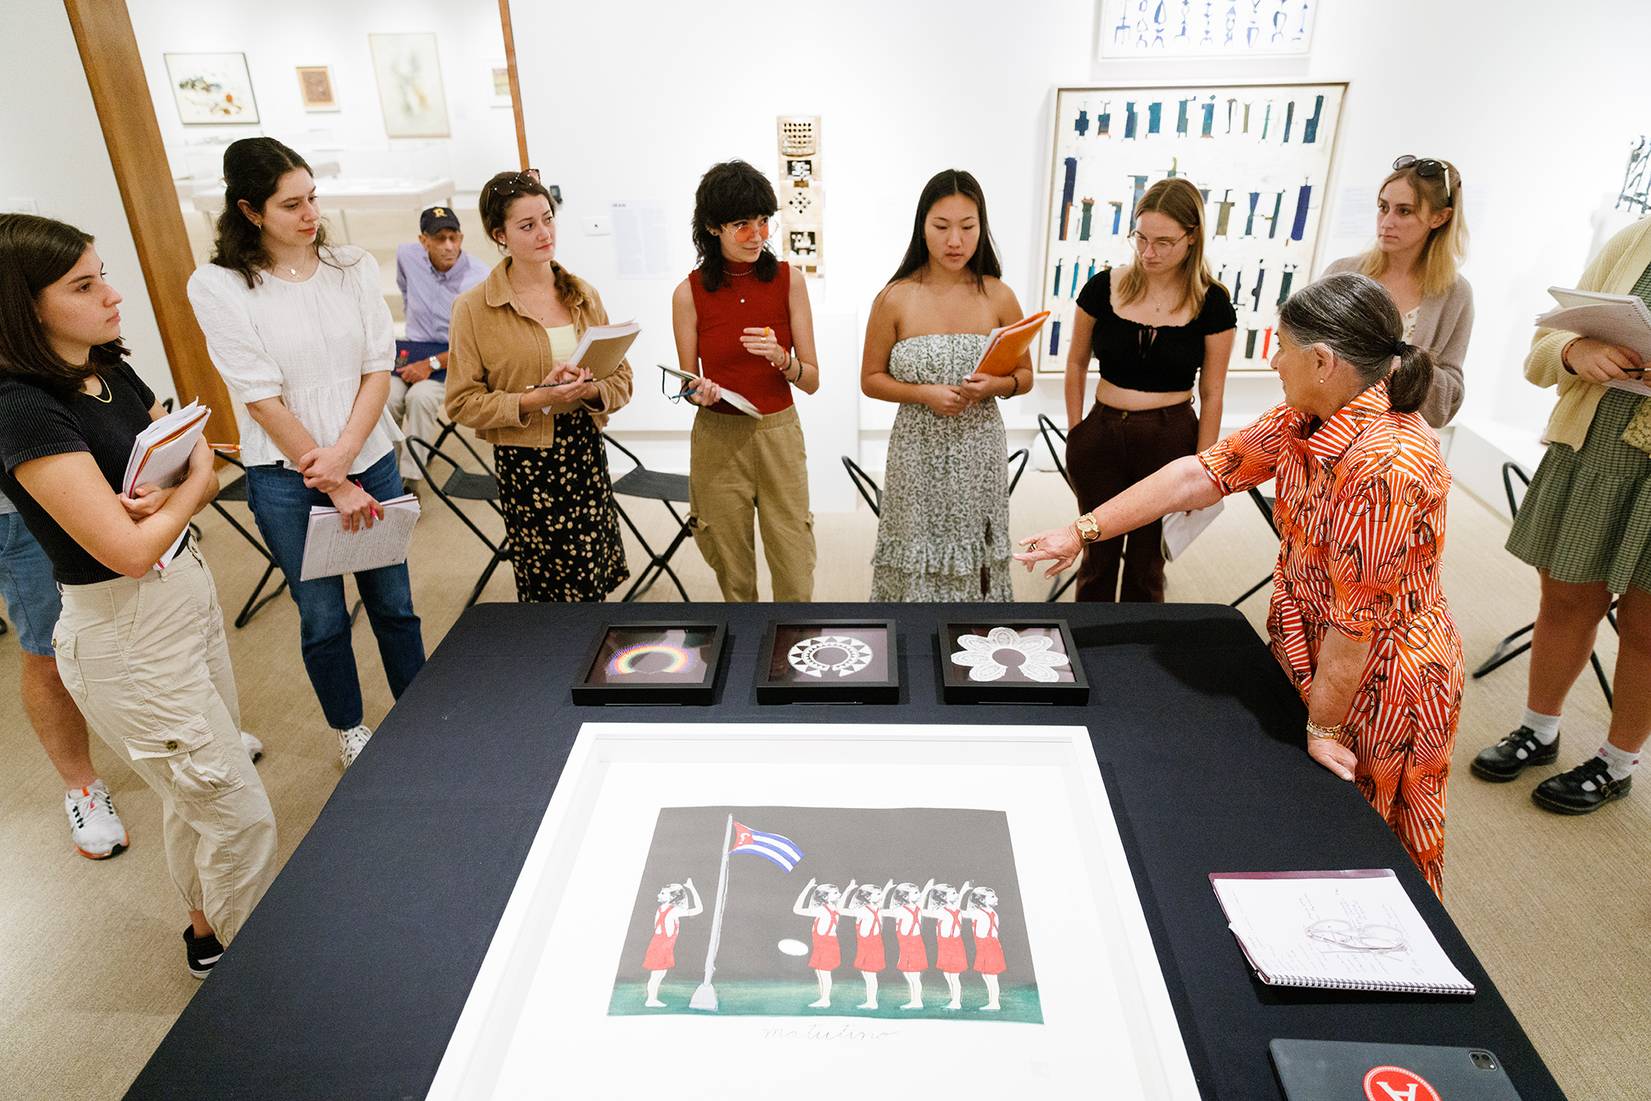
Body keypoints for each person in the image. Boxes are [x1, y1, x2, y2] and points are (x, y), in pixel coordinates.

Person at [1019, 273, 1463, 896]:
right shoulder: (1306, 416)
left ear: (1324, 361)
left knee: (1367, 848)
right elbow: (1198, 476)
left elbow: (1353, 624)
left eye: (1282, 347)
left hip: (1378, 681)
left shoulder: (1385, 465)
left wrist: (1325, 727)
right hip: (1322, 654)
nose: (1273, 360)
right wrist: (1083, 529)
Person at [0, 213, 277, 974]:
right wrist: (193, 488)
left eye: (102, 275)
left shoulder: (105, 365)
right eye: (84, 286)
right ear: (26, 305)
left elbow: (180, 454)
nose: (114, 296)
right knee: (238, 811)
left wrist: (181, 487)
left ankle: (207, 933)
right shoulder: (21, 406)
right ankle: (268, 981)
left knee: (198, 792)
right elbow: (127, 547)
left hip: (181, 591)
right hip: (124, 628)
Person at [188, 137, 425, 768]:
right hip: (287, 476)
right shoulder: (219, 285)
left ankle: (421, 710)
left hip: (367, 456)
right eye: (291, 204)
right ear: (250, 211)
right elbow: (260, 396)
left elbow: (380, 365)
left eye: (312, 197)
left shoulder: (349, 264)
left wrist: (346, 456)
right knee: (322, 615)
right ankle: (350, 728)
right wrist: (331, 477)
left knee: (394, 603)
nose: (310, 214)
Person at [1472, 216, 1651, 815]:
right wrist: (1579, 351)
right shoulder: (1637, 238)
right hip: (1595, 456)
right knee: (1566, 600)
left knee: (1648, 629)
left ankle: (1616, 763)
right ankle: (1538, 730)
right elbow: (1544, 348)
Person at [446, 170, 633, 602]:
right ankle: (558, 668)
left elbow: (621, 378)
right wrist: (535, 398)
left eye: (548, 219)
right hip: (527, 464)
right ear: (500, 235)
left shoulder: (582, 293)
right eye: (527, 226)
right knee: (549, 593)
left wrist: (588, 390)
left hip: (583, 449)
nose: (544, 232)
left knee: (591, 580)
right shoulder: (474, 308)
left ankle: (590, 664)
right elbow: (461, 403)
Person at [1062, 177, 1236, 603]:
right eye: (1140, 238)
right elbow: (1076, 361)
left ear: (1192, 238)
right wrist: (1076, 429)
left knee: (1146, 562)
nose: (1148, 252)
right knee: (1096, 554)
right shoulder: (1102, 287)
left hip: (1169, 436)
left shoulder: (1212, 303)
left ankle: (1137, 656)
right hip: (1101, 432)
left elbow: (1213, 391)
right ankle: (1085, 652)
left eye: (1163, 241)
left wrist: (1204, 467)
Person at [861, 169, 1032, 601]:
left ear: (982, 228)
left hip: (980, 450)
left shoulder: (999, 295)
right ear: (922, 227)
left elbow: (1025, 377)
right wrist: (924, 393)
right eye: (941, 227)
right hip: (916, 451)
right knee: (914, 544)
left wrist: (994, 386)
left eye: (968, 227)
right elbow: (870, 379)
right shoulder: (894, 297)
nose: (954, 241)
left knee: (976, 548)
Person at [671, 160, 820, 602]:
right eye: (742, 224)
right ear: (713, 228)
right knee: (732, 569)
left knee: (794, 562)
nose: (757, 234)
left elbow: (811, 380)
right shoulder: (688, 293)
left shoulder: (789, 282)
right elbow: (687, 384)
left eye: (763, 221)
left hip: (778, 433)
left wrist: (782, 359)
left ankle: (794, 653)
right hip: (718, 438)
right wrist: (698, 391)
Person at [1, 489, 128, 858]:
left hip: (93, 480)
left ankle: (188, 740)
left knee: (138, 625)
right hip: (16, 508)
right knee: (50, 652)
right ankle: (82, 790)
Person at [1324, 155, 1472, 428]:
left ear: (1440, 217)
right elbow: (1301, 353)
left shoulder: (1455, 294)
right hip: (1325, 432)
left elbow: (1449, 399)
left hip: (1395, 448)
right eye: (1383, 207)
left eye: (1404, 211)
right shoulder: (1341, 273)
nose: (1386, 221)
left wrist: (1406, 368)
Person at [390, 205, 487, 485]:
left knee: (419, 399)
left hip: (456, 356)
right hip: (415, 350)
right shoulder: (407, 256)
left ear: (461, 238)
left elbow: (477, 343)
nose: (448, 246)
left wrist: (431, 364)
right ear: (424, 241)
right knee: (386, 398)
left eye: (453, 238)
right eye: (439, 239)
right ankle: (388, 476)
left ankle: (410, 479)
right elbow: (405, 290)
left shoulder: (478, 277)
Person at [642, 879, 701, 1007]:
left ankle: (652, 999)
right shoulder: (673, 911)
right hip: (661, 946)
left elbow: (683, 907)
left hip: (661, 945)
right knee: (656, 975)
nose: (659, 894)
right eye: (661, 892)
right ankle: (651, 1000)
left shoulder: (665, 909)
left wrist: (686, 890)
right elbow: (699, 909)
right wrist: (691, 888)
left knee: (659, 974)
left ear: (673, 897)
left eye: (663, 893)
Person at [792, 878, 841, 1009]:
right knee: (820, 973)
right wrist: (810, 889)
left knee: (824, 973)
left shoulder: (823, 910)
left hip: (826, 944)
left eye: (837, 892)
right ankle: (823, 999)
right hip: (823, 944)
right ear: (825, 896)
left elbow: (796, 909)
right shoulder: (827, 908)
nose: (839, 894)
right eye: (835, 893)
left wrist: (807, 888)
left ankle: (825, 1000)